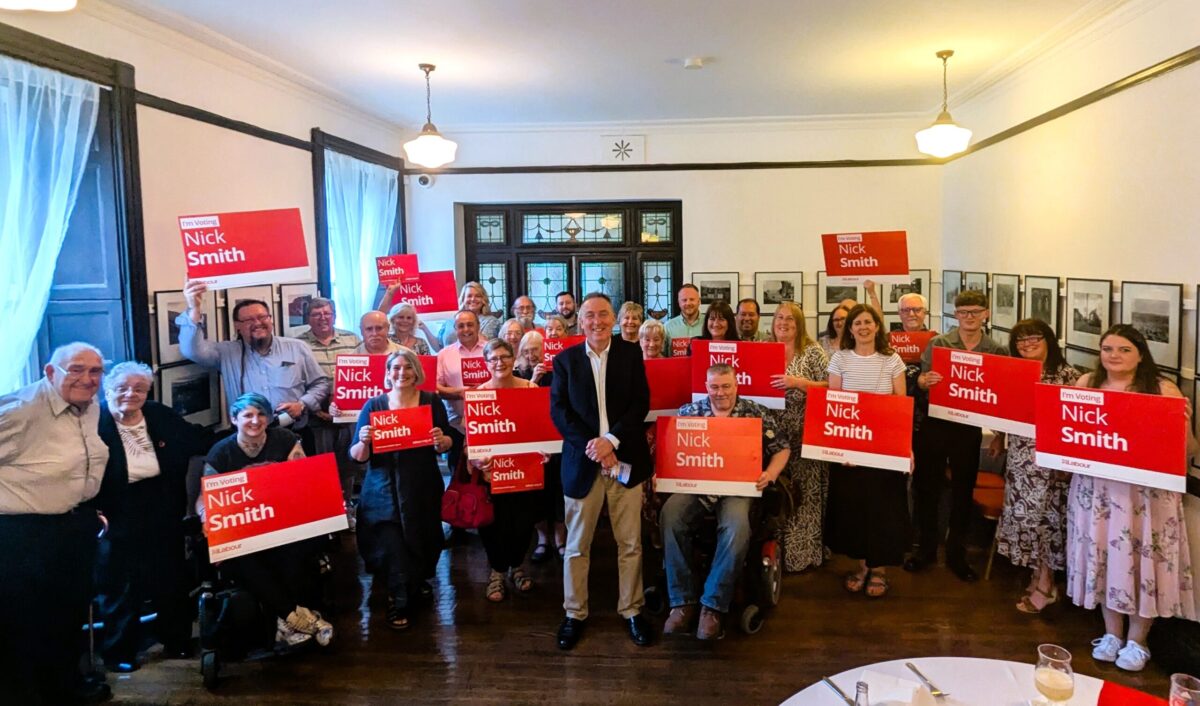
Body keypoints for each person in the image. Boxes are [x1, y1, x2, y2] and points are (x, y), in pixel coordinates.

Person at [1067, 324, 1197, 671]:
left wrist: (1183, 427)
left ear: (1141, 354)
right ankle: (1111, 633)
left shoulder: (1162, 389)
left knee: (1142, 561)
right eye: (1107, 348)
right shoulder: (1086, 384)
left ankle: (1138, 640)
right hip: (1099, 489)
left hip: (1145, 496)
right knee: (1106, 559)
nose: (1114, 356)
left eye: (1124, 349)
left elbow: (1187, 453)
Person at [0, 343, 116, 705]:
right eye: (76, 369)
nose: (87, 378)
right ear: (51, 372)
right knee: (27, 621)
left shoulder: (89, 405)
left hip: (71, 527)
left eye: (95, 371)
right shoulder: (21, 410)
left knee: (68, 615)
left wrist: (87, 507)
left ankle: (65, 686)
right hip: (23, 535)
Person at [549, 293, 653, 650]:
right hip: (583, 463)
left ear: (614, 318)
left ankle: (632, 610)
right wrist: (595, 447)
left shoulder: (631, 353)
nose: (597, 321)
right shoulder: (564, 361)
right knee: (577, 546)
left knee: (631, 544)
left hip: (625, 459)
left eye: (604, 315)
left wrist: (610, 440)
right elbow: (560, 413)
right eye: (590, 315)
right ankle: (574, 613)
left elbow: (641, 403)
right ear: (580, 321)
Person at [95, 361, 210, 672]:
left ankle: (177, 640)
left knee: (170, 576)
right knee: (120, 584)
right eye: (122, 388)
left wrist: (248, 434)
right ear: (107, 390)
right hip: (115, 511)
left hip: (161, 504)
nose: (130, 394)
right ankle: (119, 652)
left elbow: (197, 439)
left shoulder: (159, 414)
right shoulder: (94, 422)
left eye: (139, 388)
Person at [661, 364, 790, 640]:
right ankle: (682, 601)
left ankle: (713, 606)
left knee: (736, 527)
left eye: (726, 386)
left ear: (736, 385)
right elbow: (671, 450)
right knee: (670, 515)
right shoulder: (689, 413)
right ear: (706, 387)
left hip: (738, 488)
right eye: (715, 387)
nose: (720, 393)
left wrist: (770, 473)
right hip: (698, 486)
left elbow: (782, 449)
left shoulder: (755, 412)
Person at [202, 393, 334, 649]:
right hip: (244, 528)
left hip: (282, 521)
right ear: (234, 419)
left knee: (294, 552)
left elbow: (303, 478)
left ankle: (285, 622)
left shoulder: (284, 439)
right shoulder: (221, 452)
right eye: (248, 415)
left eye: (261, 414)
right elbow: (204, 498)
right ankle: (297, 618)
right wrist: (206, 519)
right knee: (242, 558)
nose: (255, 420)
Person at [349, 348, 452, 630]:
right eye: (395, 367)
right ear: (387, 373)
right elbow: (357, 455)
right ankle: (399, 597)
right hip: (382, 485)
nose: (402, 372)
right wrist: (364, 441)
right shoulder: (374, 405)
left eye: (407, 367)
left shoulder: (432, 402)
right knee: (391, 539)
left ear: (417, 371)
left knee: (421, 536)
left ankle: (415, 582)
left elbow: (445, 446)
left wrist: (441, 440)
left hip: (422, 484)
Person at [910, 290, 1007, 581]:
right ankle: (926, 549)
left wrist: (1000, 433)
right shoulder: (938, 344)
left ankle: (956, 553)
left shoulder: (996, 350)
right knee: (927, 489)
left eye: (975, 312)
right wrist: (923, 382)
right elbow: (923, 383)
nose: (969, 317)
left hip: (968, 430)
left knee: (963, 491)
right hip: (935, 425)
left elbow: (1000, 396)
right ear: (956, 314)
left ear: (986, 314)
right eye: (963, 312)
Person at [987, 319, 1080, 614]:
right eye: (1020, 341)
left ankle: (1047, 584)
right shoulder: (1017, 372)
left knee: (1046, 521)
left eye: (1033, 338)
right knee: (1026, 519)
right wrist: (1000, 437)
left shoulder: (1068, 376)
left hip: (1051, 461)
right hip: (1020, 456)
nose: (1026, 345)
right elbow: (1006, 407)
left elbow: (1074, 421)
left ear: (1049, 339)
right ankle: (1037, 574)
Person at [825, 305, 909, 598]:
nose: (862, 327)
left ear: (877, 327)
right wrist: (839, 450)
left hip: (884, 449)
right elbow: (834, 405)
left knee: (883, 510)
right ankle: (862, 566)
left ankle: (880, 569)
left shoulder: (892, 360)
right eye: (857, 322)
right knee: (857, 510)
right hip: (851, 448)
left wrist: (905, 449)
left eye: (867, 322)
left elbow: (901, 405)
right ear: (849, 329)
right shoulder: (839, 359)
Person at [178, 280, 330, 435]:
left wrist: (302, 404)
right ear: (237, 325)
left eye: (262, 317)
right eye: (249, 320)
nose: (257, 323)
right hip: (248, 437)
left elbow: (320, 383)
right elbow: (191, 350)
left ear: (271, 319)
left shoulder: (297, 347)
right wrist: (194, 309)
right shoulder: (225, 353)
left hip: (295, 432)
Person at [469, 340, 543, 601]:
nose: (499, 363)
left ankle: (518, 566)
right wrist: (478, 460)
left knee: (522, 522)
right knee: (493, 525)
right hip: (492, 475)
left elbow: (540, 427)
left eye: (504, 357)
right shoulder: (480, 394)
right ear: (486, 363)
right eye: (493, 359)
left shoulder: (530, 388)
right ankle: (497, 572)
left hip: (525, 473)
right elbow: (472, 440)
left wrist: (544, 451)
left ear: (514, 359)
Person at [768, 301, 831, 572]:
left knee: (804, 496)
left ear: (799, 324)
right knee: (776, 495)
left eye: (790, 319)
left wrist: (799, 383)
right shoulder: (764, 349)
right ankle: (774, 557)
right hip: (771, 437)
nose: (784, 323)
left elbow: (831, 387)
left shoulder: (814, 352)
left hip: (806, 435)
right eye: (780, 318)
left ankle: (803, 556)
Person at [296, 297, 361, 526]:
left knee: (348, 466)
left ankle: (346, 509)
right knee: (322, 468)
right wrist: (317, 411)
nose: (323, 318)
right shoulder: (298, 345)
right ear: (308, 318)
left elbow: (362, 375)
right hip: (317, 417)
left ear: (334, 315)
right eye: (316, 314)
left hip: (349, 415)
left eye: (327, 313)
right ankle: (327, 515)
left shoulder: (352, 339)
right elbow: (298, 382)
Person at [514, 331, 566, 560]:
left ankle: (560, 537)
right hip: (530, 441)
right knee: (537, 492)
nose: (531, 355)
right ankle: (543, 538)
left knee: (558, 489)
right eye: (526, 351)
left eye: (535, 349)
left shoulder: (559, 371)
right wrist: (533, 381)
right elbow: (517, 407)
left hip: (557, 438)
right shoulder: (518, 374)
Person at [436, 309, 487, 471]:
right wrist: (458, 393)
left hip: (489, 423)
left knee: (488, 474)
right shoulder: (444, 354)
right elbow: (435, 387)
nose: (466, 329)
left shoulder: (491, 350)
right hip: (456, 424)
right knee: (459, 476)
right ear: (455, 329)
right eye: (461, 326)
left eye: (470, 325)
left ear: (478, 326)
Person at [435, 282, 501, 347]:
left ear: (483, 300)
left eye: (478, 296)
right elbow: (438, 346)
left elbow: (487, 347)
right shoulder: (450, 320)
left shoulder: (491, 321)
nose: (473, 299)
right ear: (463, 299)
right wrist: (424, 328)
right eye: (469, 296)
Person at [663, 284, 703, 349]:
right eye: (684, 300)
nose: (688, 303)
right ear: (679, 303)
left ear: (699, 301)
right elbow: (661, 355)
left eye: (692, 299)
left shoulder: (709, 324)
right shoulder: (667, 327)